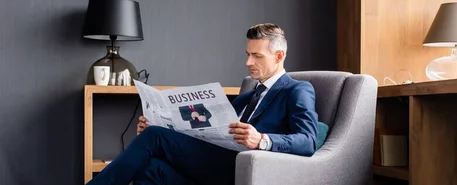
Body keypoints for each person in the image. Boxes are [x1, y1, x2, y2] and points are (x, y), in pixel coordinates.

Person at [86, 23, 319, 185]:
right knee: (152, 167)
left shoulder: (297, 89)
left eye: (257, 56)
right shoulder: (249, 95)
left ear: (279, 56)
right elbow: (209, 132)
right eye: (247, 54)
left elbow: (308, 140)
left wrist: (262, 140)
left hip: (246, 168)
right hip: (216, 164)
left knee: (154, 138)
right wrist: (164, 124)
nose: (248, 62)